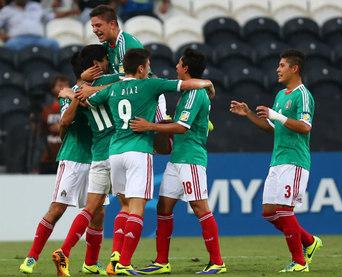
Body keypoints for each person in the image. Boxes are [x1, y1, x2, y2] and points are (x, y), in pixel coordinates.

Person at [78, 48, 216, 275]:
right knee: (137, 209)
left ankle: (120, 257)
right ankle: (124, 263)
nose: (151, 69)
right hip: (139, 152)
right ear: (141, 68)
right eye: (149, 65)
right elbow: (184, 86)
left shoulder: (113, 88)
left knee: (124, 206)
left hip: (114, 154)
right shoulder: (150, 84)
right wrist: (207, 82)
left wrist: (78, 88)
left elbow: (87, 98)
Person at [129, 48, 226, 275]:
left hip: (190, 157)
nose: (176, 67)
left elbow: (182, 128)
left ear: (186, 68)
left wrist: (150, 126)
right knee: (164, 206)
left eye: (179, 64)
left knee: (200, 206)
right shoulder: (190, 92)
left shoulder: (194, 94)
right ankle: (162, 261)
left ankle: (217, 262)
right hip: (178, 158)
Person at [230, 49, 322, 272]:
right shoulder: (281, 95)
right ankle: (309, 242)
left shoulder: (303, 94)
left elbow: (305, 126)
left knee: (284, 209)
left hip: (295, 160)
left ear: (294, 68)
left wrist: (277, 116)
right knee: (269, 211)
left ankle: (300, 262)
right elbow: (273, 127)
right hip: (277, 160)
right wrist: (249, 114)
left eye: (282, 65)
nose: (277, 69)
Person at [18, 48, 97, 275]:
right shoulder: (70, 92)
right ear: (86, 70)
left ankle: (90, 264)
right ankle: (31, 258)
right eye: (96, 65)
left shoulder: (94, 91)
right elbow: (65, 121)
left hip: (97, 157)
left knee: (98, 212)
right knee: (57, 208)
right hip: (73, 158)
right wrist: (76, 96)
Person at [51, 44, 122, 277]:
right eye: (104, 60)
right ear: (96, 65)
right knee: (129, 207)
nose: (108, 63)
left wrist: (74, 89)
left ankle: (65, 251)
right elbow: (131, 81)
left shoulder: (77, 90)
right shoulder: (112, 79)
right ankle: (117, 261)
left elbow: (71, 101)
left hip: (98, 154)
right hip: (116, 150)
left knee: (92, 209)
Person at [0, 0, 74, 51]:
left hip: (38, 39)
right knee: (9, 46)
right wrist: (2, 36)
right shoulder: (6, 10)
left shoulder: (36, 6)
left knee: (53, 44)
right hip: (18, 40)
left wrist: (70, 12)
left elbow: (51, 16)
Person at [39, 75, 70, 174]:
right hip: (49, 155)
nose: (63, 88)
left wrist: (61, 127)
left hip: (67, 155)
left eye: (66, 85)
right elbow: (40, 131)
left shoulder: (73, 108)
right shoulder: (46, 110)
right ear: (53, 88)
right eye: (60, 85)